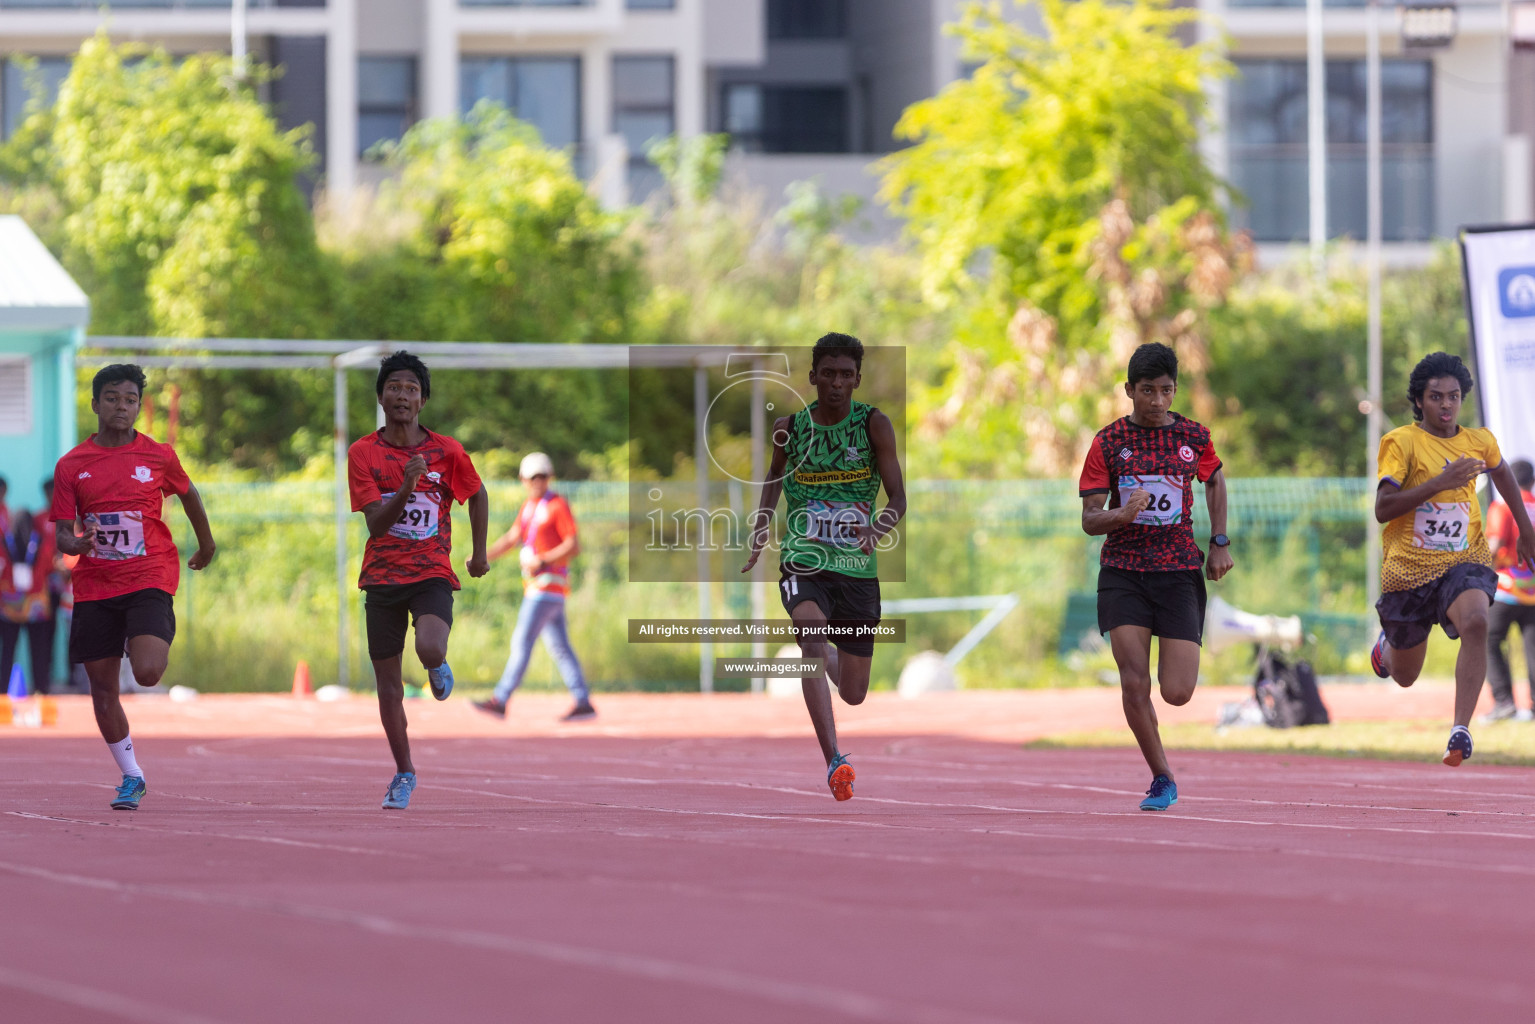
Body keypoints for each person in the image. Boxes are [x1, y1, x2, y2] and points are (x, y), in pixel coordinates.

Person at [741, 332, 906, 801]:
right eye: (828, 374)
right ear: (812, 377)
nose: (836, 383)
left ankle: (830, 657)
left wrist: (877, 529)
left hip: (856, 568)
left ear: (857, 378)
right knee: (810, 638)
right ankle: (835, 759)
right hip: (803, 559)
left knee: (854, 692)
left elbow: (898, 498)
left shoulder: (874, 425)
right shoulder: (790, 428)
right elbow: (774, 478)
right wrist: (761, 529)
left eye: (846, 375)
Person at [50, 364, 217, 811]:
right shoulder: (71, 466)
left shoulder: (158, 455)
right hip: (95, 584)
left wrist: (207, 543)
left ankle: (150, 630)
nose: (121, 407)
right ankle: (132, 776)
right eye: (112, 398)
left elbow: (189, 494)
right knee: (102, 690)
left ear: (138, 407)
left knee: (146, 672)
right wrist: (77, 542)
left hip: (149, 576)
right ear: (95, 404)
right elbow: (62, 533)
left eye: (129, 400)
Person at [1079, 341, 1232, 811]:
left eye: (1166, 391)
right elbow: (1089, 518)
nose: (1157, 401)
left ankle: (1164, 761)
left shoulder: (1194, 437)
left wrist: (1219, 541)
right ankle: (1162, 776)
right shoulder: (1108, 443)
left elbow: (1215, 480)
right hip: (1124, 573)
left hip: (1179, 572)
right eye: (1147, 391)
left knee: (1178, 692)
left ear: (1174, 390)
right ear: (1129, 389)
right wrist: (1123, 513)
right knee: (1133, 682)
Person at [1369, 352, 1535, 765]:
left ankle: (1461, 729)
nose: (1446, 405)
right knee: (1405, 675)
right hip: (1407, 570)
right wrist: (1440, 482)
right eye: (1436, 397)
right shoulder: (1401, 443)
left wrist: (1526, 529)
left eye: (1454, 397)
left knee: (1478, 621)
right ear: (1419, 401)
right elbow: (1383, 509)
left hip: (1464, 558)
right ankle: (1386, 648)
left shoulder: (1479, 441)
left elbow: (1502, 475)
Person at [349, 350, 489, 810]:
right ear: (381, 396)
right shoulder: (363, 453)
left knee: (430, 646)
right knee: (388, 686)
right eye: (394, 387)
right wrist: (406, 488)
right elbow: (376, 525)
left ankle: (435, 664)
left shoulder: (446, 450)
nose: (402, 395)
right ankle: (404, 772)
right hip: (382, 578)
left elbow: (477, 493)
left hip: (430, 570)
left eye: (411, 389)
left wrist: (480, 552)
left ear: (423, 399)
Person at [472, 452, 594, 722]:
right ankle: (583, 700)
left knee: (522, 641)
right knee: (560, 647)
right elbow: (512, 538)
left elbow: (573, 545)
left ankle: (500, 699)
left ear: (549, 478)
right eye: (532, 477)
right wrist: (482, 555)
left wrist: (543, 560)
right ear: (523, 480)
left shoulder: (557, 505)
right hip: (539, 587)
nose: (538, 481)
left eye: (542, 476)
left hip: (547, 586)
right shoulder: (529, 507)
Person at [1483, 458, 1535, 721]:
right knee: (1533, 648)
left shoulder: (1503, 506)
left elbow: (1494, 546)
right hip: (1534, 591)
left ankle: (1504, 702)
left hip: (1505, 589)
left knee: (1487, 641)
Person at [1, 505, 56, 694]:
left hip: (11, 603)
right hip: (37, 603)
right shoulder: (43, 541)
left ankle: (2, 691)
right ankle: (41, 688)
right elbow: (50, 566)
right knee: (39, 650)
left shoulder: (3, 542)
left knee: (7, 649)